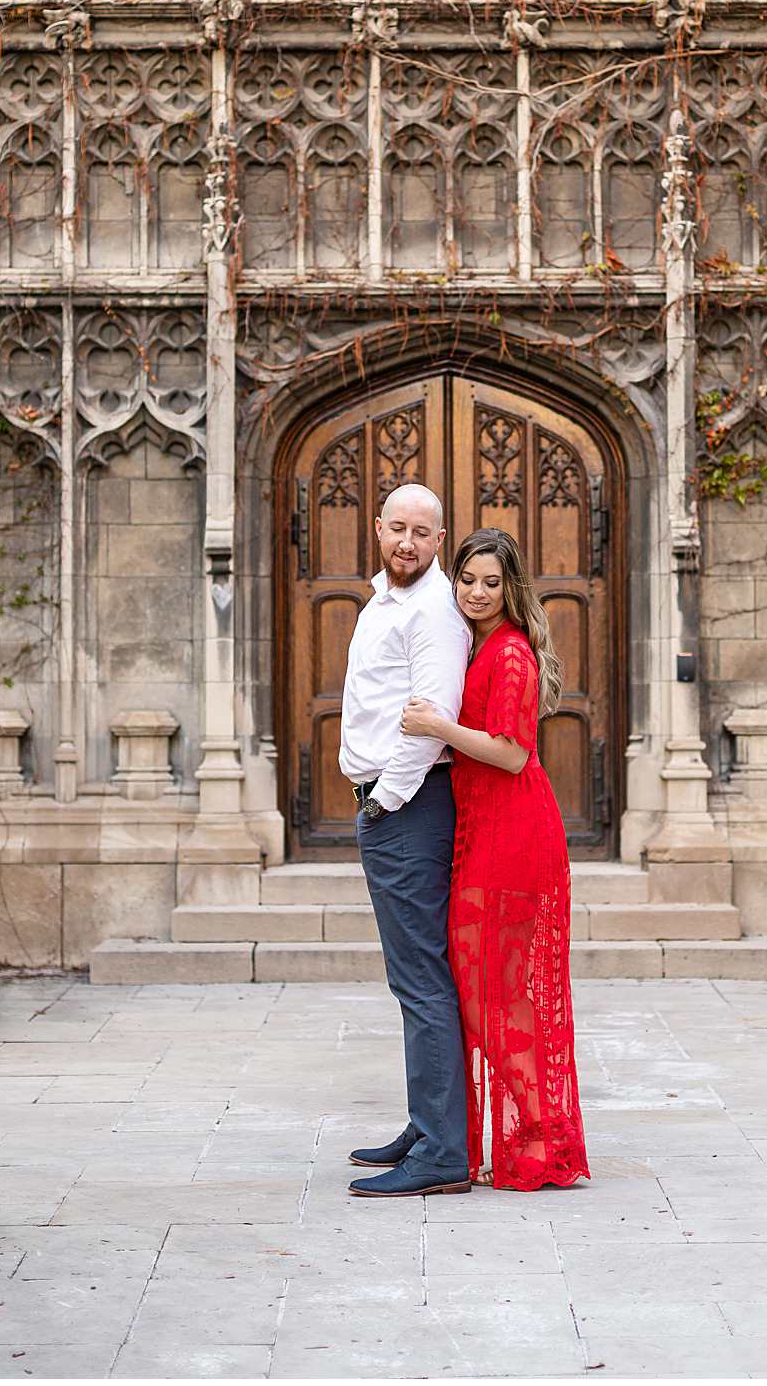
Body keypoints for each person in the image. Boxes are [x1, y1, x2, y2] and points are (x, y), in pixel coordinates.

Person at [402, 527, 590, 1192]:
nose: (477, 593)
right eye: (468, 580)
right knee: (487, 993)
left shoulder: (510, 654)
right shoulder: (477, 645)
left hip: (513, 834)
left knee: (498, 1001)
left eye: (491, 582)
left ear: (511, 588)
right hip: (481, 831)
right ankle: (536, 1131)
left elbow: (510, 752)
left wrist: (435, 730)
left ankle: (539, 1136)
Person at [340, 482, 474, 1199]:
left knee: (421, 979)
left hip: (410, 810)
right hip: (395, 808)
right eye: (397, 528)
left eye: (423, 532)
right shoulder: (383, 600)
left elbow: (434, 714)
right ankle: (429, 1127)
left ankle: (444, 1151)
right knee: (413, 977)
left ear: (440, 539)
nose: (408, 543)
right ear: (377, 527)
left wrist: (386, 801)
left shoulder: (433, 610)